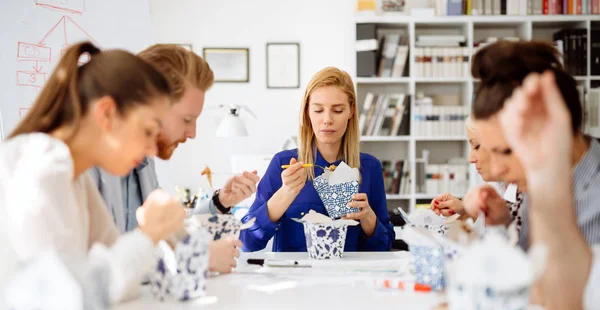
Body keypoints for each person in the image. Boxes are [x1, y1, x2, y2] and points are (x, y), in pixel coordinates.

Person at [0, 41, 188, 310]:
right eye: (147, 130)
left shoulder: (75, 174)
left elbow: (118, 280)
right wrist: (148, 236)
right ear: (106, 113)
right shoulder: (43, 166)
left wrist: (152, 239)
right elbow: (70, 300)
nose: (151, 149)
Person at [90, 44, 258, 273]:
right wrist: (197, 258)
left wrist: (219, 203)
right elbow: (97, 273)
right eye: (187, 119)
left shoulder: (143, 165)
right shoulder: (85, 169)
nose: (192, 133)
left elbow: (170, 232)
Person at [494, 69, 600, 310]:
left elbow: (563, 303)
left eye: (506, 150)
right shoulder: (542, 188)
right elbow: (562, 304)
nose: (496, 168)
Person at [459, 41, 600, 250]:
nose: (497, 169)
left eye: (506, 151)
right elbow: (529, 270)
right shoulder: (537, 185)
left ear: (552, 126)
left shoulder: (592, 198)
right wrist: (503, 223)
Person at [240, 67, 395, 252]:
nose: (327, 119)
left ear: (351, 111)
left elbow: (384, 246)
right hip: (295, 277)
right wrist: (285, 193)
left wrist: (368, 217)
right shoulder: (283, 164)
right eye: (318, 110)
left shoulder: (370, 167)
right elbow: (246, 241)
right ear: (307, 112)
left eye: (337, 110)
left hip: (350, 278)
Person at [430, 116, 521, 219]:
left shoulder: (526, 197)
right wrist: (464, 209)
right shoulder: (497, 187)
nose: (470, 159)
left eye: (476, 146)